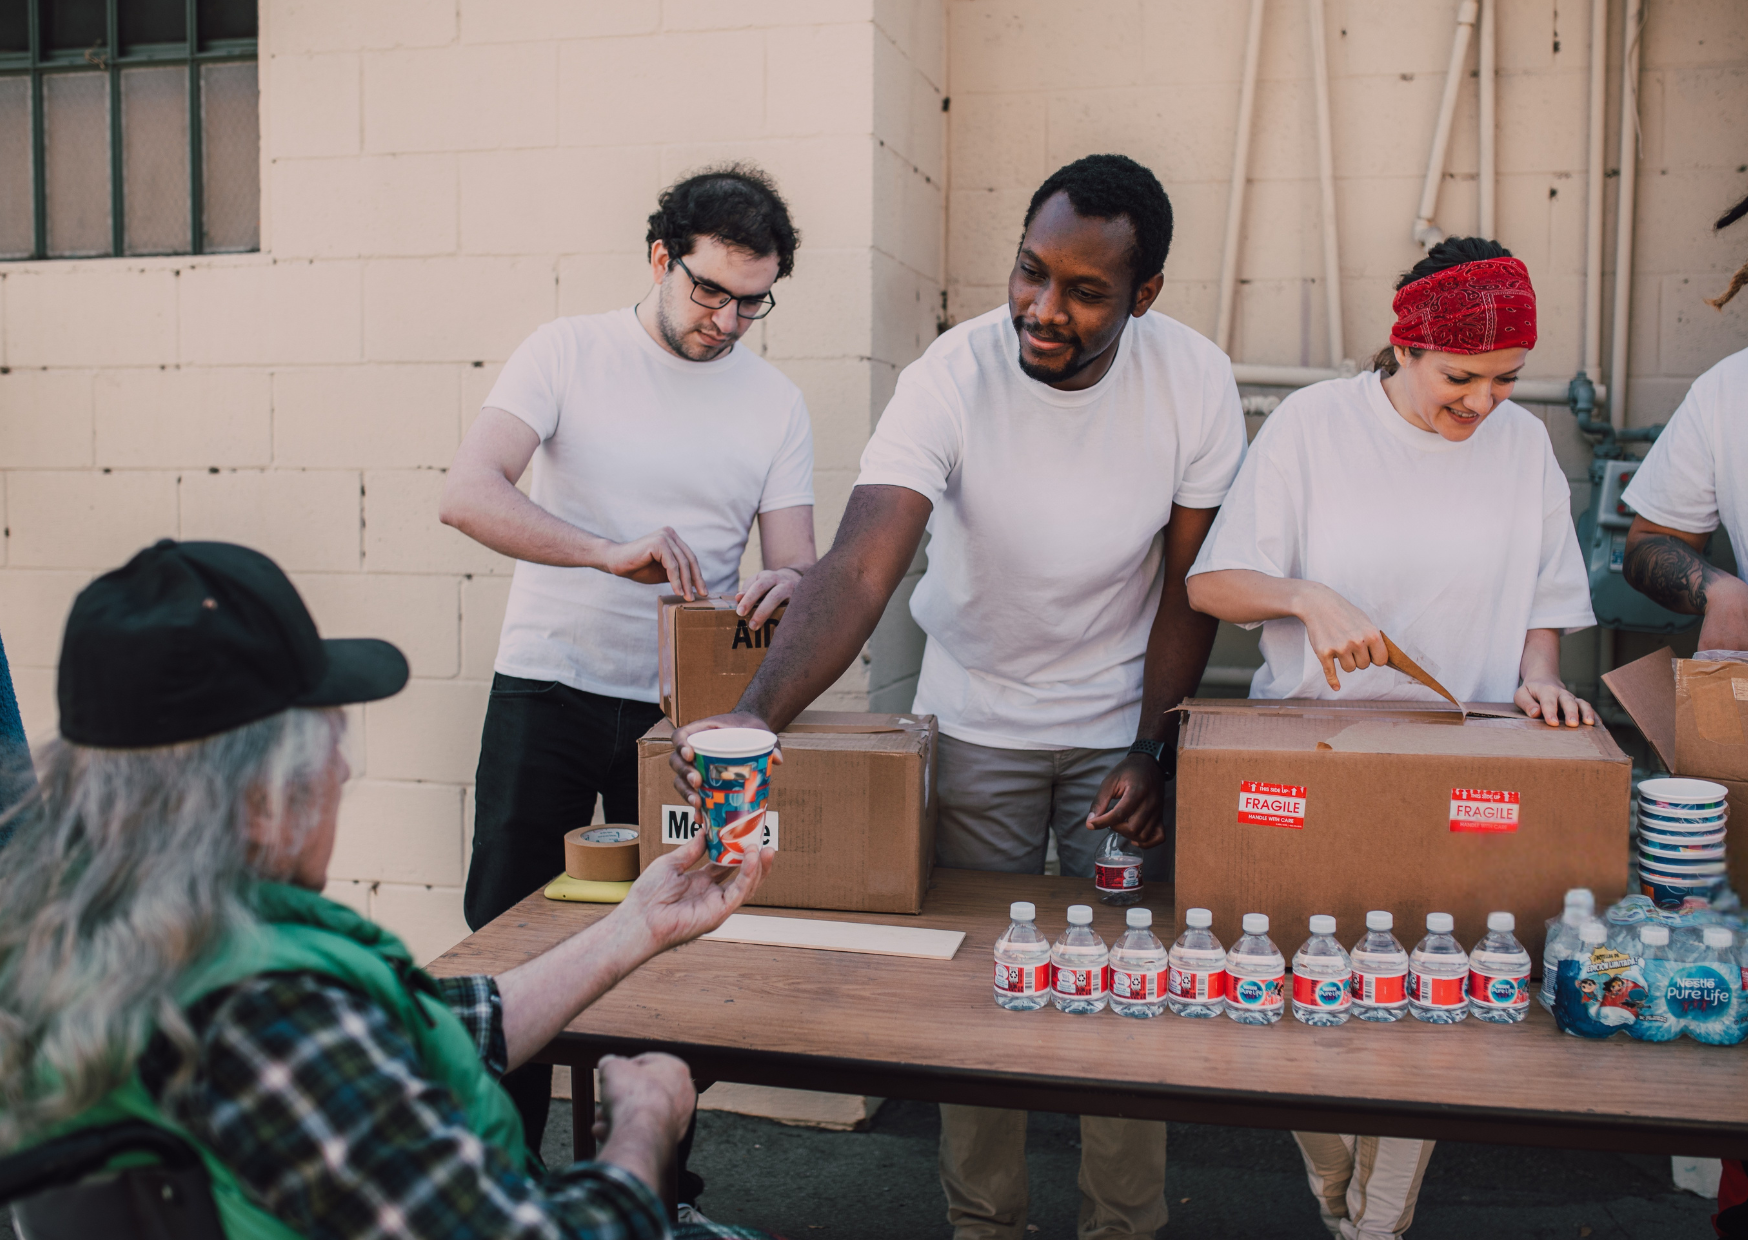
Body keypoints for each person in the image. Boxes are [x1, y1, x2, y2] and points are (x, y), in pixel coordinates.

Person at [671, 153, 1248, 1240]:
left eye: (1084, 291)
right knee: (976, 1004)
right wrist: (753, 712)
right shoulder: (950, 371)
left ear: (1144, 295)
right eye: (1029, 273)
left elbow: (1188, 587)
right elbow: (858, 566)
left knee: (1125, 996)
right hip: (976, 716)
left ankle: (1124, 1227)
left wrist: (1153, 751)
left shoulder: (1194, 380)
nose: (1042, 307)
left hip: (1118, 730)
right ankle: (984, 1226)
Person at [0, 539, 776, 1240]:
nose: (341, 772)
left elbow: (430, 1026)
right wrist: (644, 1124)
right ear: (261, 802)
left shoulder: (103, 938)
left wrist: (636, 925)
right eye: (329, 749)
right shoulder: (268, 1021)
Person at [1185, 238, 1597, 1240]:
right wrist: (1301, 593)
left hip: (1462, 758)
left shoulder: (1521, 446)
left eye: (1506, 380)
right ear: (1401, 346)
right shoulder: (1314, 425)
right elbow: (1209, 582)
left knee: (1432, 995)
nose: (1482, 403)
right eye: (1459, 377)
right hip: (1316, 762)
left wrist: (1537, 678)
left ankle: (1373, 1223)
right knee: (1296, 985)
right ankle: (1339, 1194)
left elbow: (1543, 596)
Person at [437, 161, 817, 1206]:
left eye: (754, 301)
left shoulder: (776, 402)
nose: (729, 320)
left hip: (688, 719)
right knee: (509, 934)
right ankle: (490, 1183)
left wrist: (789, 583)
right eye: (709, 291)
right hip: (548, 691)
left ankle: (649, 1189)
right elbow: (465, 494)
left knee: (676, 942)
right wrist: (603, 551)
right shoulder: (565, 351)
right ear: (660, 258)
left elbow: (797, 562)